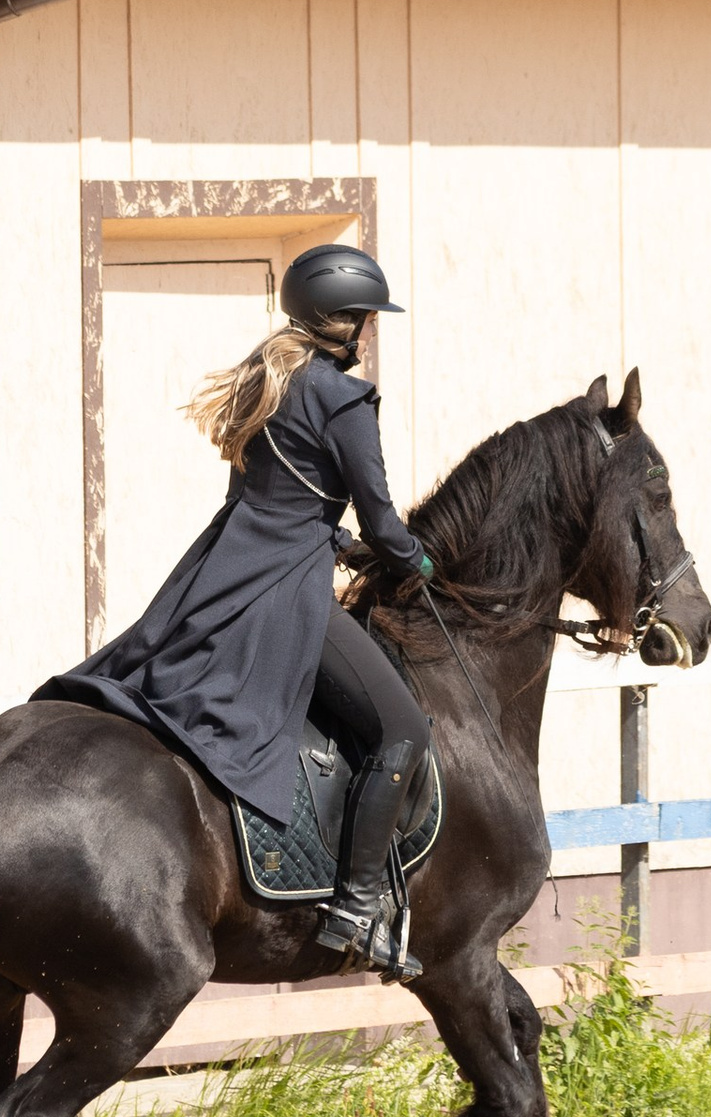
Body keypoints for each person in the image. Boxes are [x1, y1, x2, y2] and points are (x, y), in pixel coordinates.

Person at [41, 242, 437, 975]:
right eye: (364, 317)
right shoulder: (346, 400)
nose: (369, 330)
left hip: (224, 572)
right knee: (401, 732)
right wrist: (414, 558)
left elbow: (270, 498)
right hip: (287, 590)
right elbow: (387, 522)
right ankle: (354, 909)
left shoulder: (267, 378)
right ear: (337, 319)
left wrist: (333, 536)